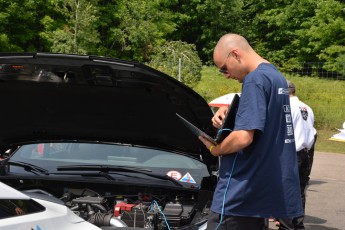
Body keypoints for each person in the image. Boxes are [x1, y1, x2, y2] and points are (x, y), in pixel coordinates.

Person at [198, 33, 303, 230]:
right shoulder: (275, 76)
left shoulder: (254, 80)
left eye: (224, 69)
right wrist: (231, 113)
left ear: (235, 54)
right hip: (259, 193)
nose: (227, 75)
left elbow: (243, 137)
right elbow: (268, 122)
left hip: (238, 195)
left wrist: (215, 149)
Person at [276, 81, 317, 230]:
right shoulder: (307, 107)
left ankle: (286, 225)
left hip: (291, 152)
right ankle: (298, 223)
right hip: (306, 152)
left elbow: (280, 132)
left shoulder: (286, 107)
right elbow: (312, 131)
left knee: (284, 188)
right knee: (299, 189)